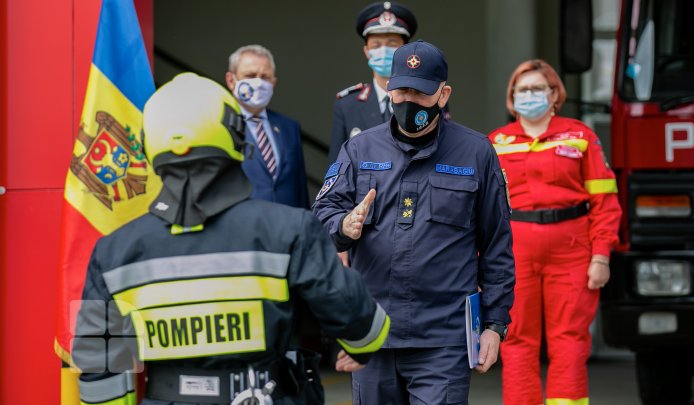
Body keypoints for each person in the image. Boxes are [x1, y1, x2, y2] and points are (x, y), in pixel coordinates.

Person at [71, 73, 390, 405]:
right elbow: (364, 328)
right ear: (237, 137)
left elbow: (98, 370)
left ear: (148, 145)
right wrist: (360, 345)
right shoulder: (290, 228)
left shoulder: (112, 252)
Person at [314, 40, 515, 404]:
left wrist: (494, 325)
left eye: (420, 93)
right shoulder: (360, 149)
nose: (408, 101)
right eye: (401, 90)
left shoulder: (476, 152)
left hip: (443, 338)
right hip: (373, 332)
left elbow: (497, 245)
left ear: (443, 94)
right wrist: (344, 226)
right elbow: (322, 216)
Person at [488, 59, 622, 405]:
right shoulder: (496, 143)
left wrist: (601, 256)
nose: (529, 95)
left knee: (570, 340)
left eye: (537, 89)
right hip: (515, 252)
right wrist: (480, 264)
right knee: (516, 339)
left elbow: (605, 200)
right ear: (511, 97)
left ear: (554, 94)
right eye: (522, 90)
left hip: (573, 250)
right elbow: (480, 212)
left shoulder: (581, 136)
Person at [327, 1, 418, 164]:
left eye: (392, 44)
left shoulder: (425, 97)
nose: (383, 50)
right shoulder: (347, 105)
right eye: (376, 45)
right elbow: (336, 169)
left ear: (406, 49)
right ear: (366, 51)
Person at [225, 44, 309, 209]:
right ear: (231, 80)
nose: (258, 82)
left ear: (274, 82)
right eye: (250, 75)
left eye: (265, 77)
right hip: (241, 228)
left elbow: (300, 189)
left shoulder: (289, 127)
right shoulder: (221, 124)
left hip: (288, 228)